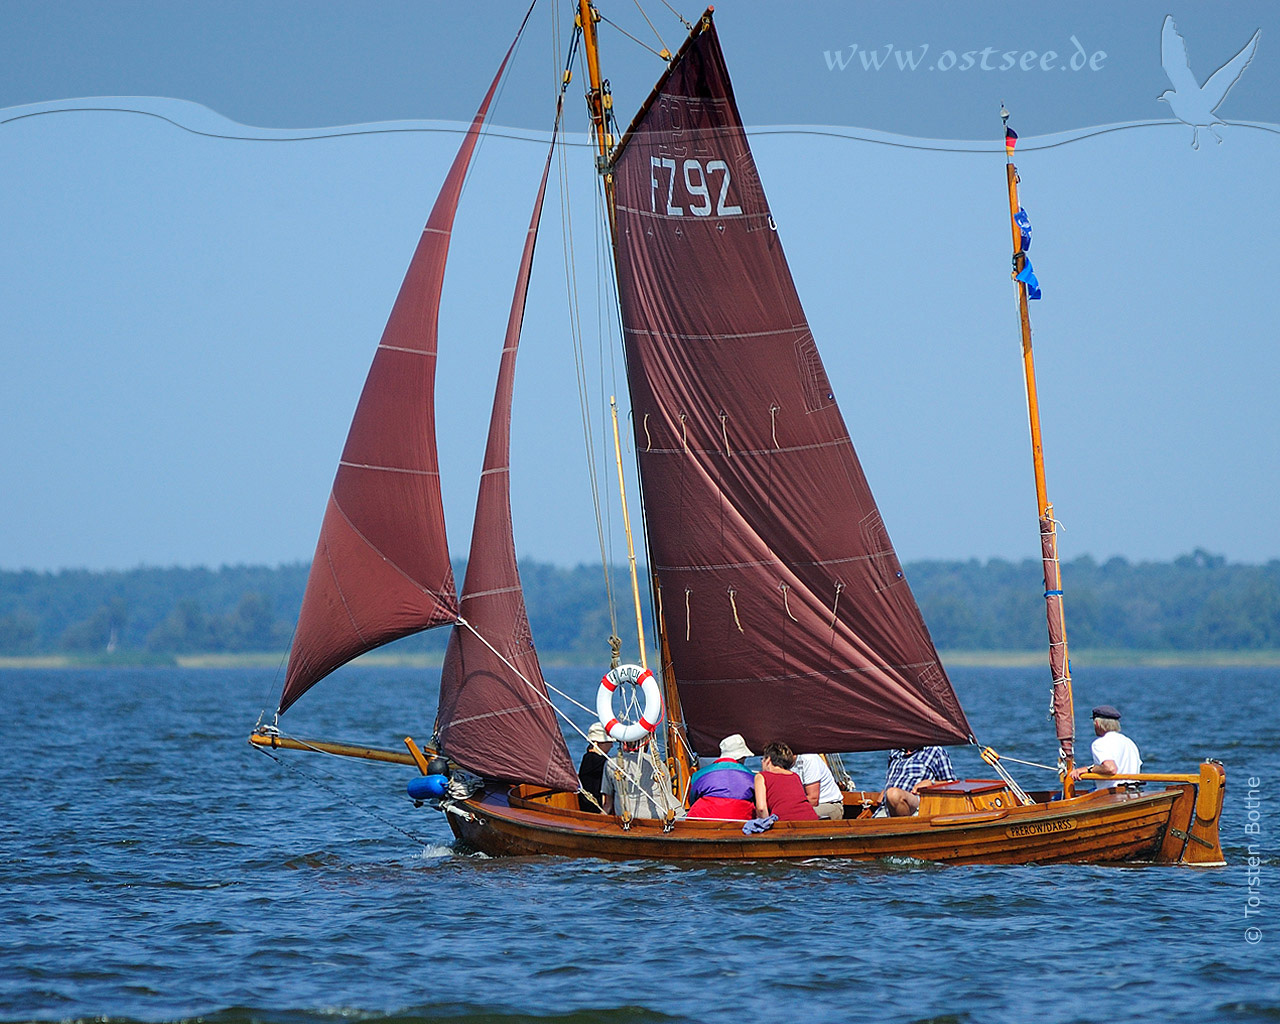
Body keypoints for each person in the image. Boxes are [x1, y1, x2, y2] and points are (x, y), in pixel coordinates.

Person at [1068, 704, 1142, 790]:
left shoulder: (1100, 743)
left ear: (1097, 724)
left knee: (1056, 798)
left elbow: (1110, 768)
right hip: (1133, 792)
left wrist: (1087, 770)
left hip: (1112, 795)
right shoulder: (1129, 742)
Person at [601, 738, 677, 819]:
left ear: (625, 744)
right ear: (646, 745)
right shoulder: (659, 765)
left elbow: (607, 804)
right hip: (658, 818)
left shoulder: (611, 764)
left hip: (627, 819)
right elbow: (668, 795)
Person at [686, 734, 756, 820]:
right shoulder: (751, 776)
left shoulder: (699, 774)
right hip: (740, 820)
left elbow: (692, 800)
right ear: (741, 757)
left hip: (703, 820)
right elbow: (758, 801)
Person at [753, 741, 819, 821]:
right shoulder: (794, 776)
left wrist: (765, 824)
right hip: (810, 818)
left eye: (763, 759)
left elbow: (761, 809)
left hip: (784, 822)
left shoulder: (761, 776)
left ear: (768, 760)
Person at [882, 746, 956, 817]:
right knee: (891, 794)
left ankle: (904, 826)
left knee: (894, 794)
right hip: (885, 807)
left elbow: (952, 784)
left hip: (916, 802)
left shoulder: (935, 751)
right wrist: (884, 792)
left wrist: (931, 783)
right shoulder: (895, 752)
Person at [792, 753, 845, 821]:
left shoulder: (809, 759)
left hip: (827, 804)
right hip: (802, 805)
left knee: (796, 815)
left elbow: (813, 799)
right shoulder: (778, 762)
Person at [577, 723, 613, 812]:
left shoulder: (590, 758)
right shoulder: (592, 759)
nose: (612, 746)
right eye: (608, 742)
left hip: (591, 807)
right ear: (597, 743)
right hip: (594, 809)